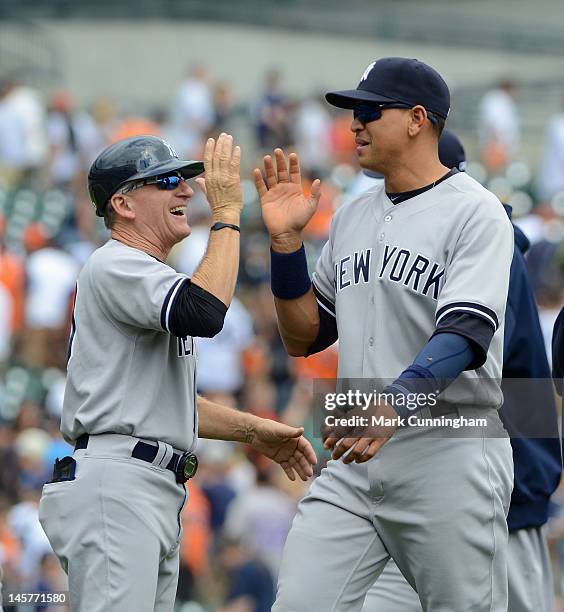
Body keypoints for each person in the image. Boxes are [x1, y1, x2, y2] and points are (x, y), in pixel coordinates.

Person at [254, 57, 514, 611]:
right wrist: (285, 250)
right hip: (358, 458)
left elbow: (466, 332)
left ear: (418, 119)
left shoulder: (476, 212)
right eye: (353, 112)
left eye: (369, 111)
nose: (354, 124)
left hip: (449, 446)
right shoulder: (352, 215)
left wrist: (397, 401)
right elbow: (306, 336)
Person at [38, 133, 316, 612]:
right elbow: (206, 312)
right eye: (167, 180)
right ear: (122, 204)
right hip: (118, 484)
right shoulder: (116, 263)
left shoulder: (143, 274)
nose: (187, 191)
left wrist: (252, 431)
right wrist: (228, 213)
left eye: (186, 179)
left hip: (146, 484)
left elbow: (168, 405)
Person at [362, 130, 561, 612]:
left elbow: (466, 368)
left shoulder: (489, 249)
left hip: (500, 501)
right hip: (427, 496)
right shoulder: (392, 245)